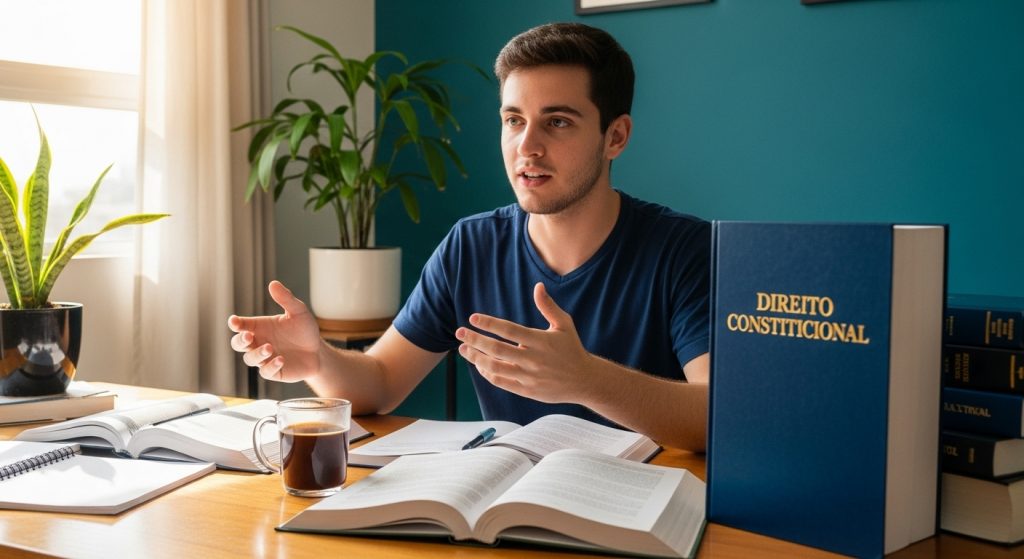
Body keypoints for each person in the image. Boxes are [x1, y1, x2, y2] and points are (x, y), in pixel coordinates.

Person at [228, 22, 710, 451]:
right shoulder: (472, 246)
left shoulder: (684, 250)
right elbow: (378, 383)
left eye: (557, 122)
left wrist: (586, 380)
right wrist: (317, 359)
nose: (528, 146)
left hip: (646, 515)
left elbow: (716, 418)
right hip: (508, 514)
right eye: (514, 120)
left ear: (616, 137)